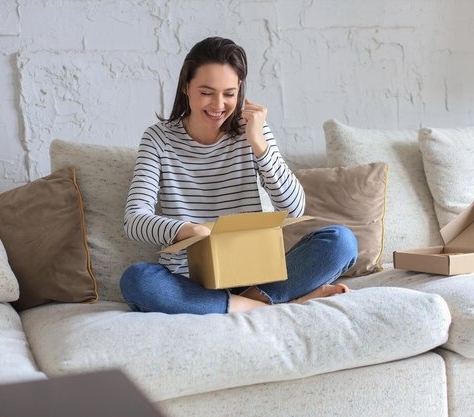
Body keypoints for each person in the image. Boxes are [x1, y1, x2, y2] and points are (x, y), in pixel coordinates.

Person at [120, 37, 357, 315]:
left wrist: (259, 144)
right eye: (206, 92)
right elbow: (134, 219)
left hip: (258, 274)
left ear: (240, 91)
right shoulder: (158, 139)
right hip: (191, 282)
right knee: (137, 280)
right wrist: (190, 230)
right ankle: (267, 305)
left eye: (229, 93)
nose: (218, 105)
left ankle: (247, 302)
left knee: (341, 241)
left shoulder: (254, 132)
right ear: (186, 87)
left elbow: (293, 209)